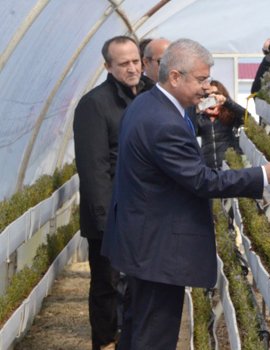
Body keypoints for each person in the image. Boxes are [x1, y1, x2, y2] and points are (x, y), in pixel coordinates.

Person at [102, 38, 270, 350]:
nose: (207, 87)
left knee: (138, 330)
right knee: (153, 338)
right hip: (157, 249)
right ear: (175, 76)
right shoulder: (163, 122)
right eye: (201, 80)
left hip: (142, 241)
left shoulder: (149, 105)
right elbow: (202, 180)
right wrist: (261, 175)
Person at [73, 36, 154, 350]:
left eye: (136, 61)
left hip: (144, 214)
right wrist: (108, 225)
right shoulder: (95, 104)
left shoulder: (150, 96)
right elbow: (94, 171)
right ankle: (107, 343)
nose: (133, 68)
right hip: (111, 218)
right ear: (108, 66)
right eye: (124, 64)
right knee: (109, 288)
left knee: (139, 288)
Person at [195, 80, 247, 169]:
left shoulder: (229, 112)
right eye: (208, 95)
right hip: (209, 167)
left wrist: (226, 102)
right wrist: (195, 110)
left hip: (231, 165)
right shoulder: (201, 116)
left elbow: (246, 117)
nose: (211, 97)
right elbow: (188, 130)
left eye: (215, 94)